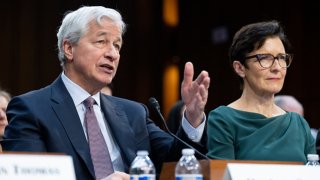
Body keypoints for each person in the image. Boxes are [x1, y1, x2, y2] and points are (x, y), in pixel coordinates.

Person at [1, 6, 210, 180]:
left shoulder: (133, 113)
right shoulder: (32, 109)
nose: (112, 54)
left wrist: (192, 118)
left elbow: (175, 164)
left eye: (117, 46)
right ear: (68, 48)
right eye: (101, 42)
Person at [206, 20, 315, 163]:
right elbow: (220, 175)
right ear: (240, 68)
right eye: (265, 58)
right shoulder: (223, 119)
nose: (277, 67)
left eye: (281, 58)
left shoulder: (299, 124)